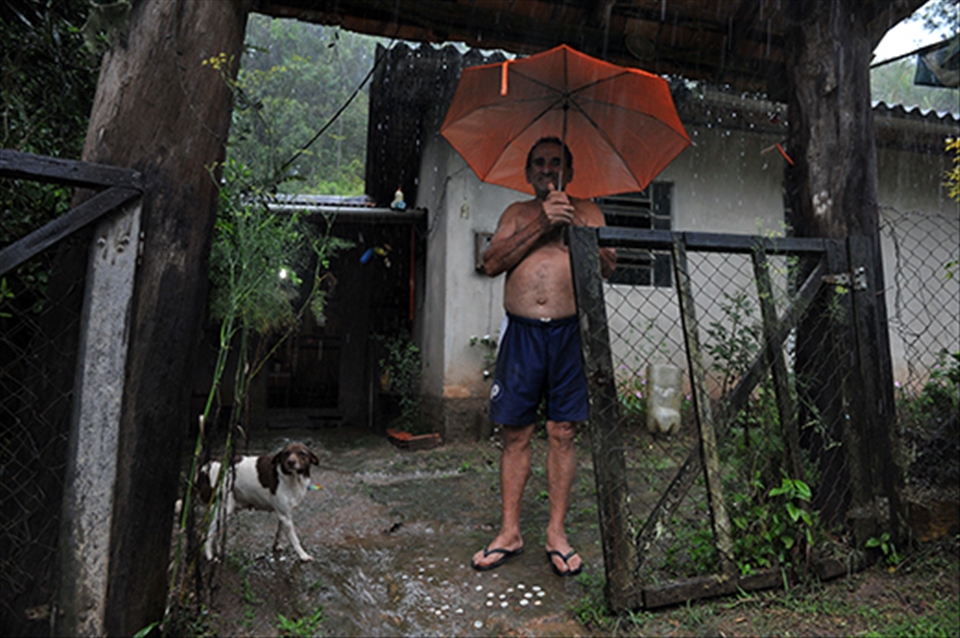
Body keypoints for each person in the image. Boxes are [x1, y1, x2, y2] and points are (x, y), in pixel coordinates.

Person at [471, 137, 615, 577]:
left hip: (570, 334)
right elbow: (491, 263)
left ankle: (556, 533)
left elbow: (608, 266)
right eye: (539, 163)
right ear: (528, 171)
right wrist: (542, 223)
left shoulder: (588, 211)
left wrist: (573, 228)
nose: (547, 170)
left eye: (556, 163)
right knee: (515, 432)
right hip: (522, 335)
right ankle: (509, 532)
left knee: (563, 432)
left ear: (569, 171)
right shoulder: (516, 214)